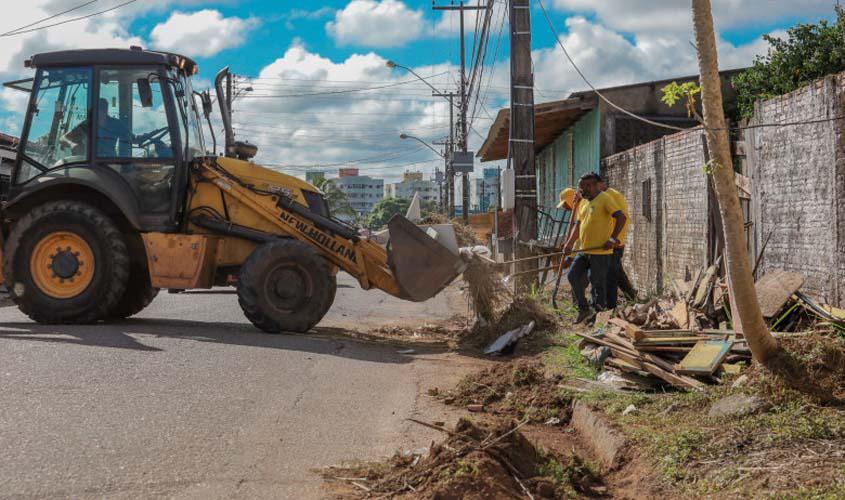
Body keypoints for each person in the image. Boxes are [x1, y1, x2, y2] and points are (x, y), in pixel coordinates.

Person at [563, 174, 627, 323]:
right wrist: (569, 244)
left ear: (590, 186)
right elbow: (578, 225)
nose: (580, 190)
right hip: (584, 250)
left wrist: (612, 238)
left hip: (600, 252)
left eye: (582, 187)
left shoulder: (605, 199)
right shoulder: (584, 203)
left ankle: (599, 315)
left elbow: (621, 217)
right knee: (572, 276)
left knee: (597, 282)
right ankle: (584, 309)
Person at [593, 173, 637, 306]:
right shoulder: (599, 197)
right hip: (606, 243)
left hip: (614, 244)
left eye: (594, 185)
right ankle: (630, 296)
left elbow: (624, 218)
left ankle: (611, 304)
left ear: (601, 183)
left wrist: (615, 240)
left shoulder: (614, 195)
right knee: (616, 272)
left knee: (612, 275)